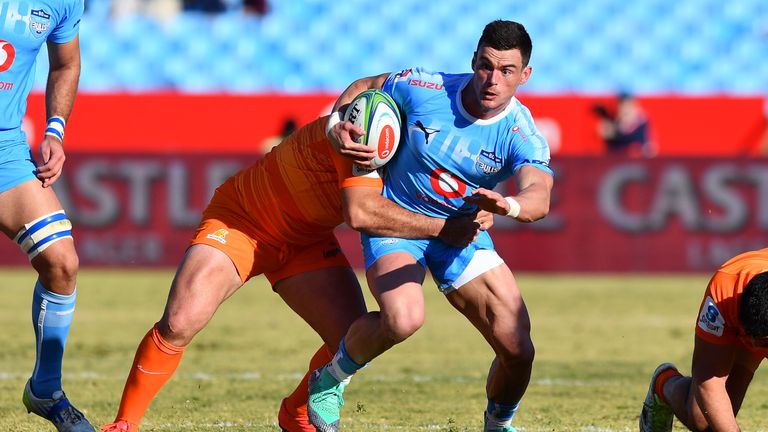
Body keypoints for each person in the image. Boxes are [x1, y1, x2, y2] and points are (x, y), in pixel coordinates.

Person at [99, 115, 491, 432]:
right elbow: (362, 213)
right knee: (181, 321)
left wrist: (479, 210)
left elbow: (444, 192)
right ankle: (125, 423)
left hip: (304, 241)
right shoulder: (364, 131)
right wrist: (445, 227)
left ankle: (297, 413)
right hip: (244, 220)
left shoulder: (411, 160)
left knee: (352, 339)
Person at [309, 20, 554, 432]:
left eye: (507, 71)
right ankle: (329, 380)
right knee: (403, 319)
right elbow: (364, 85)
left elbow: (539, 195)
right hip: (398, 223)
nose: (493, 80)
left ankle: (498, 423)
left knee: (517, 347)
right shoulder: (423, 86)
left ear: (524, 75)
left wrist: (508, 204)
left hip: (458, 235)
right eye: (486, 66)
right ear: (473, 61)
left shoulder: (520, 132)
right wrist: (337, 126)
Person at [0, 2, 95, 432]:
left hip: (5, 152)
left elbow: (66, 63)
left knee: (61, 262)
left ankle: (46, 389)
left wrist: (55, 130)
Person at [640, 248, 768, 432]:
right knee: (703, 421)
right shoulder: (724, 292)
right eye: (754, 338)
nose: (755, 346)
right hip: (734, 314)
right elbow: (708, 379)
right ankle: (663, 383)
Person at [592, 92, 656, 158]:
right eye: (623, 106)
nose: (626, 109)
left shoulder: (642, 123)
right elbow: (605, 134)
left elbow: (649, 147)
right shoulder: (611, 123)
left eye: (628, 106)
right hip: (615, 162)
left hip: (635, 163)